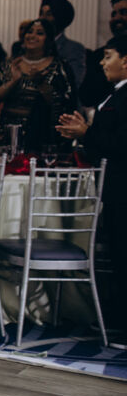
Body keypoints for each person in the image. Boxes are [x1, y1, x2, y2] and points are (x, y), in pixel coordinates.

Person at [57, 35, 127, 337]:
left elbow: (121, 143)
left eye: (108, 56)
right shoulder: (115, 93)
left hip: (123, 188)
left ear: (126, 60)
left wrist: (86, 133)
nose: (102, 62)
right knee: (117, 253)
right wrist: (83, 134)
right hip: (112, 188)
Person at [0, 18, 76, 153]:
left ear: (48, 39)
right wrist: (13, 81)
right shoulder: (10, 64)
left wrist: (41, 84)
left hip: (41, 135)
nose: (32, 36)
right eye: (29, 32)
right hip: (8, 133)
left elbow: (65, 104)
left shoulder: (59, 67)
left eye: (39, 33)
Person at [80, 0, 127, 108]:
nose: (116, 18)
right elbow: (86, 97)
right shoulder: (98, 56)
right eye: (113, 14)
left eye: (124, 12)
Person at [40, 0, 86, 92]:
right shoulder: (32, 46)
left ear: (59, 18)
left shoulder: (73, 49)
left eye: (48, 14)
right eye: (41, 14)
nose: (42, 19)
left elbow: (73, 83)